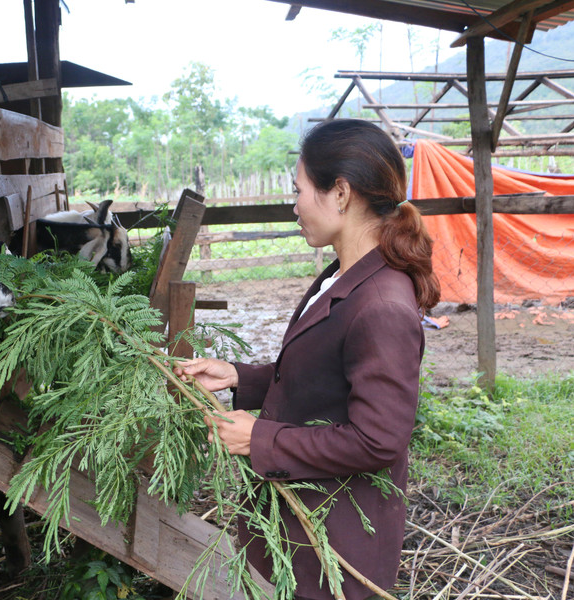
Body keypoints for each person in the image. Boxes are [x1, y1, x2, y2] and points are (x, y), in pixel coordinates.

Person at [175, 119, 440, 600]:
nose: (294, 205)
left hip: (334, 544)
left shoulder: (381, 304)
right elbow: (325, 376)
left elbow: (378, 440)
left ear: (340, 193)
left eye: (298, 191)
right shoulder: (344, 275)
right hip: (301, 528)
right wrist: (238, 377)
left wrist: (260, 438)